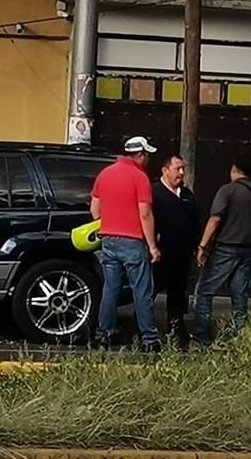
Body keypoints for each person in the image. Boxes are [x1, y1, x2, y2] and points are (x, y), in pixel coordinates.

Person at [90, 136, 161, 352]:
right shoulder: (140, 177)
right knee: (142, 291)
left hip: (108, 239)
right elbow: (145, 214)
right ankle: (149, 339)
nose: (148, 159)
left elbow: (94, 210)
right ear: (139, 155)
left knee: (110, 289)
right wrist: (152, 247)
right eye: (146, 155)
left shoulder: (105, 174)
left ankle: (103, 335)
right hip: (133, 241)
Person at [193, 155, 251, 345]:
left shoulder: (227, 190)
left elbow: (215, 219)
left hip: (225, 248)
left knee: (204, 292)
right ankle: (239, 339)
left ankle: (201, 338)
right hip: (248, 251)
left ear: (234, 169)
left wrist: (202, 246)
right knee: (240, 297)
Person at [152, 154, 199, 342]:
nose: (181, 173)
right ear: (165, 170)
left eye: (183, 169)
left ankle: (176, 331)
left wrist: (197, 246)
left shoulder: (187, 196)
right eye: (177, 168)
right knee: (151, 290)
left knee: (178, 294)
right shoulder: (154, 192)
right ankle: (145, 329)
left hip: (182, 254)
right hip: (160, 253)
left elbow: (195, 222)